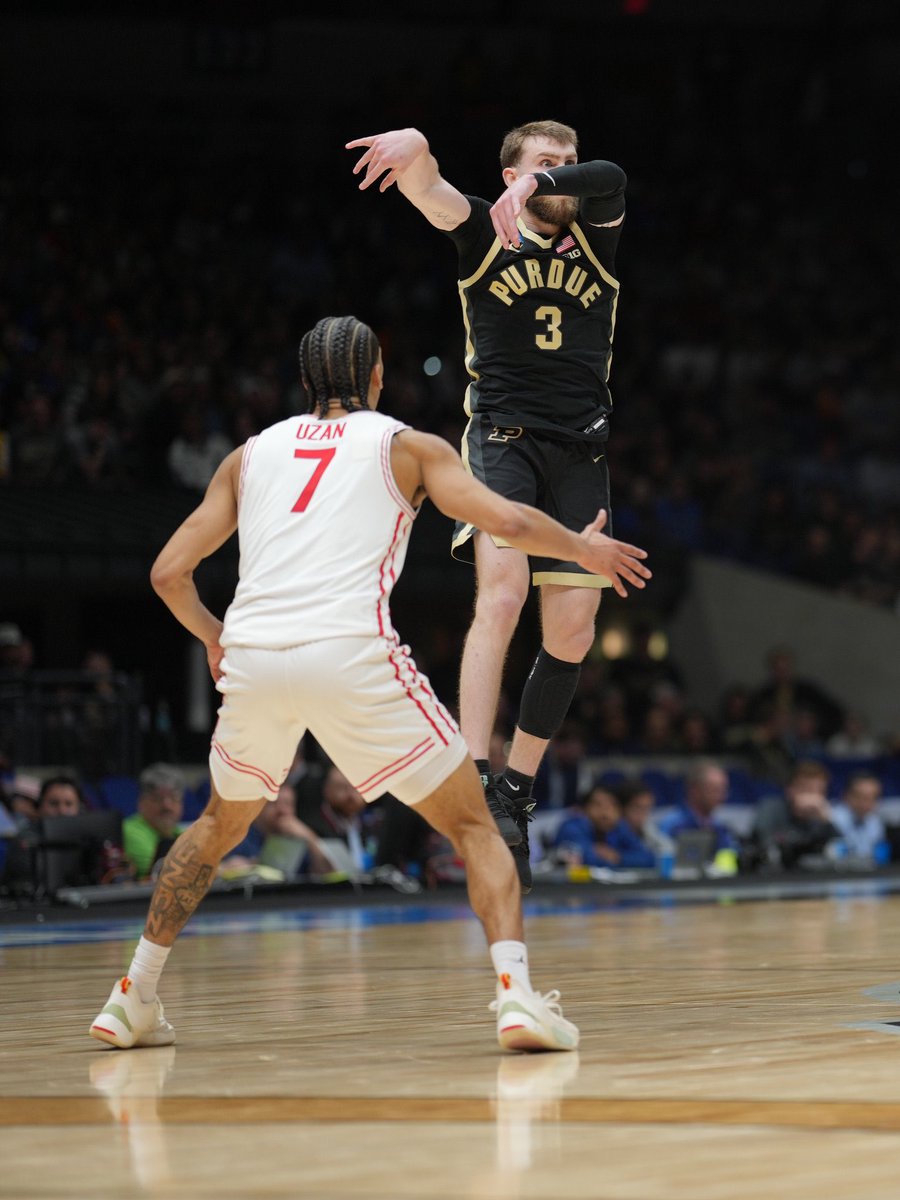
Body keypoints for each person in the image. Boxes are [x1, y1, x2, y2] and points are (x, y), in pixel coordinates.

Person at [90, 315, 650, 1055]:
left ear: (304, 382)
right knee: (475, 827)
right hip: (349, 652)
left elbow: (168, 573)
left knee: (216, 828)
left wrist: (213, 636)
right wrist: (581, 546)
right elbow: (509, 521)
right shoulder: (407, 445)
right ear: (378, 377)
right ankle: (517, 999)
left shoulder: (247, 456)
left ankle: (133, 995)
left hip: (255, 659)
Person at [347, 121, 628, 893]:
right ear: (509, 175)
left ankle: (517, 790)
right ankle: (474, 774)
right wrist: (415, 150)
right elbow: (429, 191)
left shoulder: (597, 236)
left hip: (580, 452)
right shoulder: (482, 231)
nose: (561, 173)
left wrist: (547, 180)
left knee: (574, 630)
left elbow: (611, 176)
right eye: (543, 162)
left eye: (566, 162)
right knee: (502, 595)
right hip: (502, 441)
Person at [123, 764, 189, 880]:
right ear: (141, 802)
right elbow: (161, 870)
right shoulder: (129, 831)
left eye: (174, 798)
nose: (167, 806)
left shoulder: (180, 832)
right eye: (158, 798)